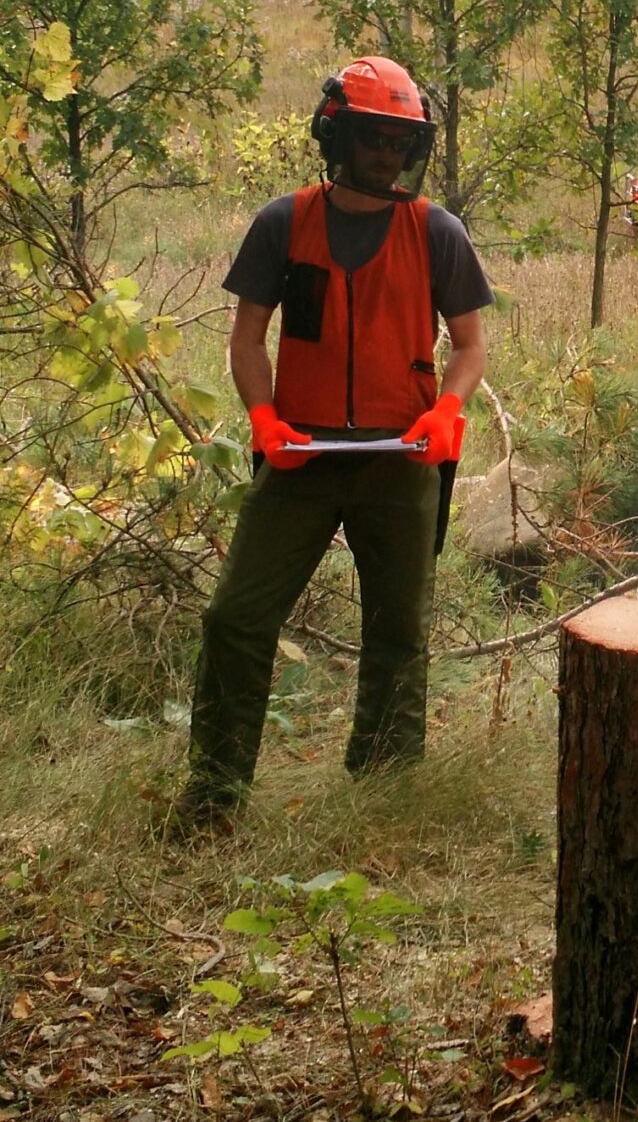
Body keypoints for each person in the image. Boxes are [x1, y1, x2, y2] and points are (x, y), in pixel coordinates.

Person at [174, 56, 492, 831]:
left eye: (400, 141)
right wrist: (263, 418)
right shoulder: (284, 222)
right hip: (302, 457)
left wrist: (446, 411)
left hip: (402, 460)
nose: (388, 155)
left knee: (397, 633)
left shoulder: (436, 232)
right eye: (374, 138)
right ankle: (214, 800)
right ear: (336, 133)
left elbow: (470, 346)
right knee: (236, 619)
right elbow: (247, 340)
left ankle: (383, 802)